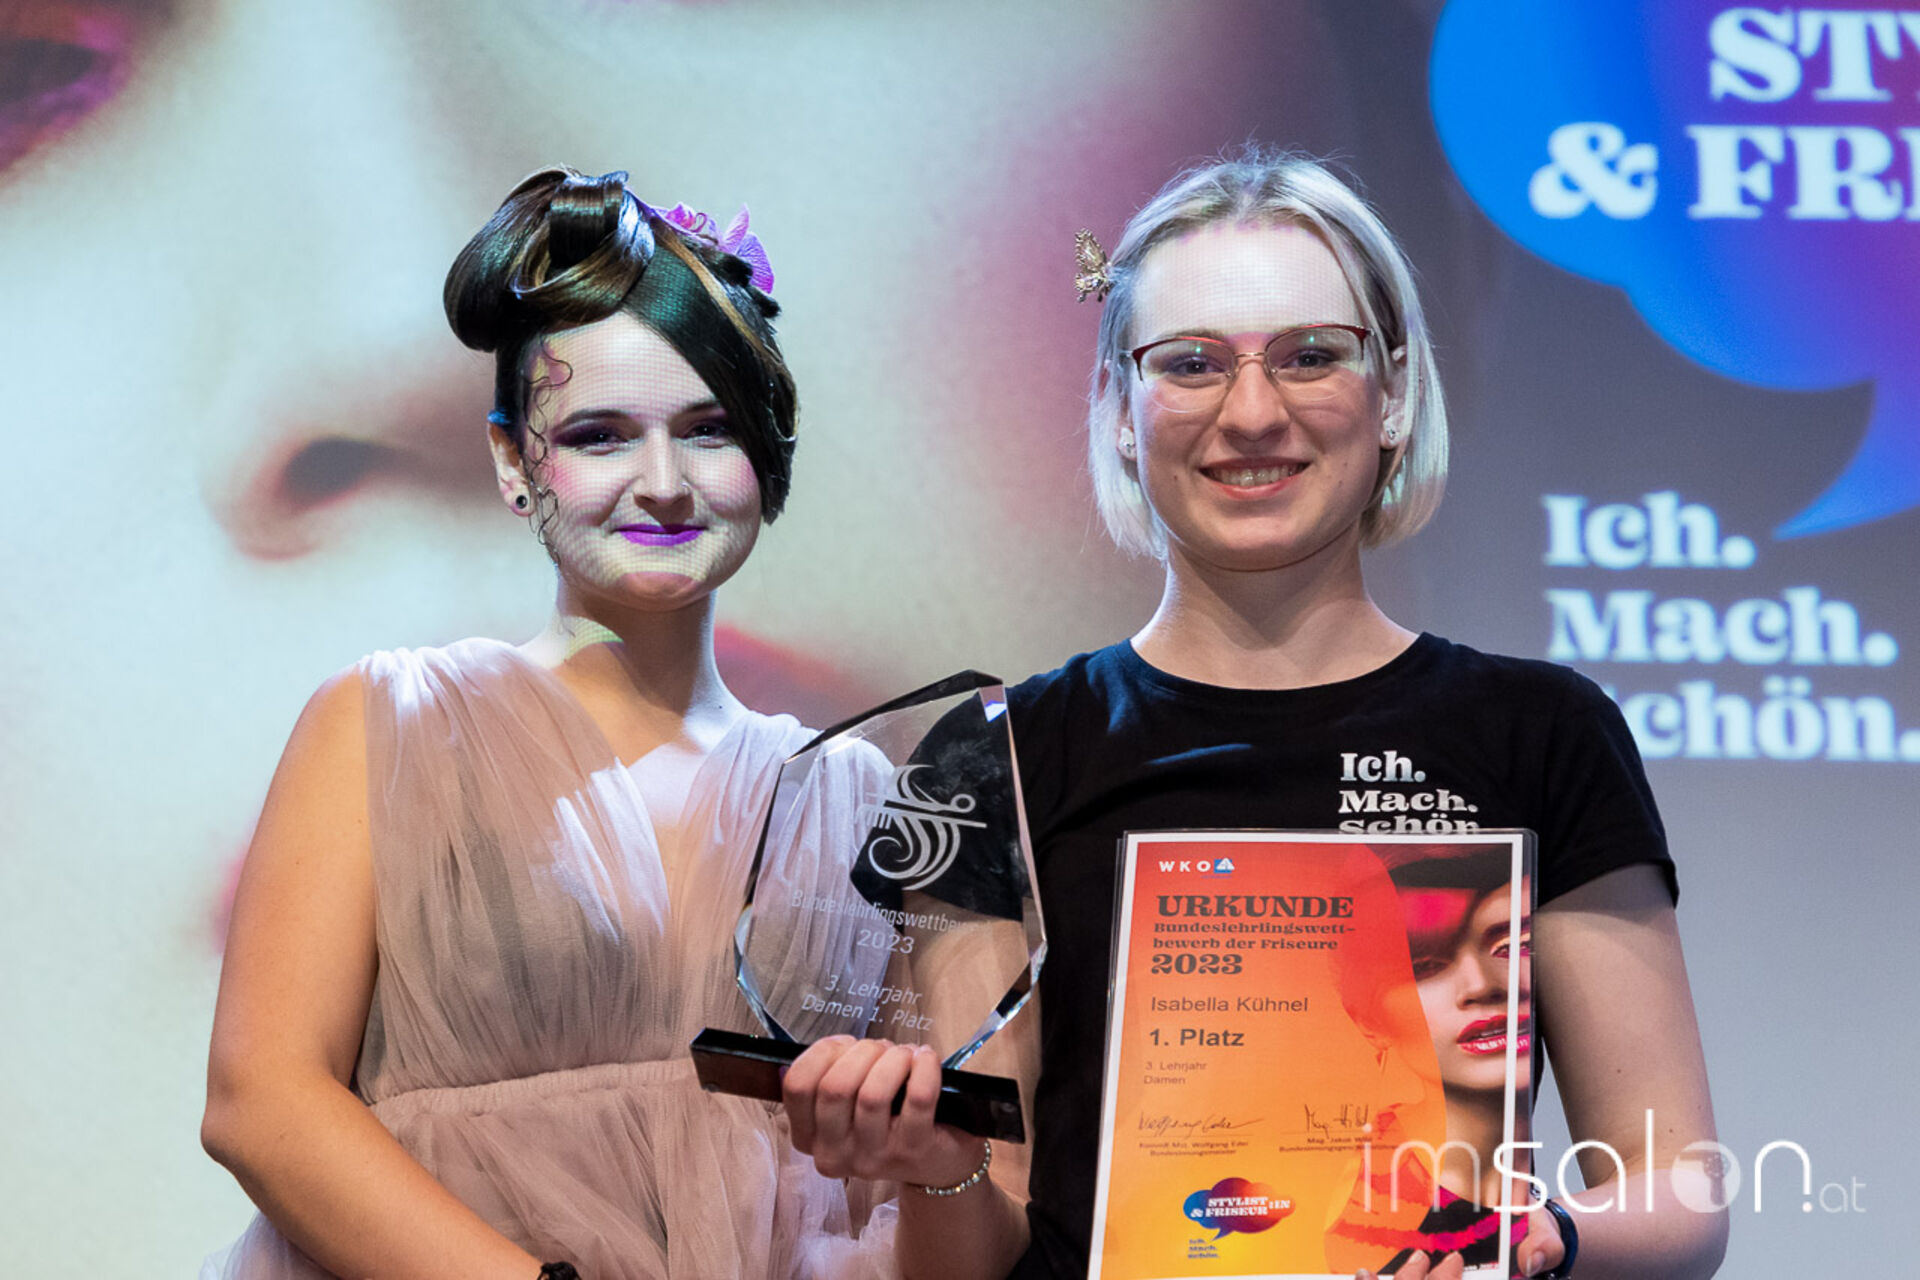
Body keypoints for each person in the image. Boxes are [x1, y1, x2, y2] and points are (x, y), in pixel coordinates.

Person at [781, 150, 1728, 1280]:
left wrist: (1539, 1237)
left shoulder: (1544, 731)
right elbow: (970, 1257)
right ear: (1119, 408)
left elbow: (1678, 1191)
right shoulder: (991, 760)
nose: (1253, 412)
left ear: (1395, 393)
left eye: (1311, 355)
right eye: (1190, 364)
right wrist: (938, 1165)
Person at [200, 168, 898, 1279]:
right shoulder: (389, 728)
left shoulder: (863, 796)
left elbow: (942, 1177)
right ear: (513, 460)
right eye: (601, 435)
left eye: (709, 429)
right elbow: (261, 1101)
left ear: (769, 450)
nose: (662, 482)